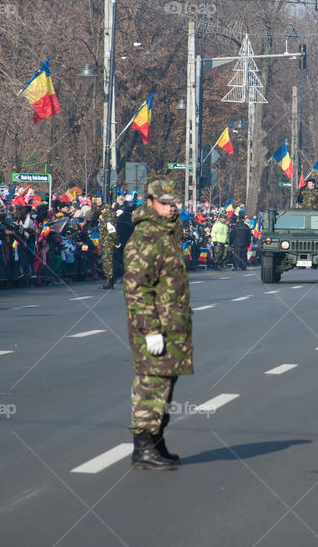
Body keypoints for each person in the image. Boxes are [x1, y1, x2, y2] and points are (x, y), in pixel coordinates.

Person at [123, 179, 193, 470]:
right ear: (149, 202)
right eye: (164, 202)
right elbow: (137, 289)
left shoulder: (166, 233)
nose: (171, 206)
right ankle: (143, 449)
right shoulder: (146, 237)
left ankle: (156, 441)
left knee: (165, 386)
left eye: (173, 201)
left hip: (172, 328)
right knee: (151, 386)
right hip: (155, 329)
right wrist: (150, 330)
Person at [98, 203, 118, 289]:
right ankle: (110, 281)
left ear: (106, 209)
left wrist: (117, 242)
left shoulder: (108, 219)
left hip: (107, 244)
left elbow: (112, 231)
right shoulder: (109, 218)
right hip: (107, 243)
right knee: (109, 262)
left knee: (107, 262)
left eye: (102, 209)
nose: (101, 211)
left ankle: (109, 281)